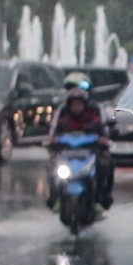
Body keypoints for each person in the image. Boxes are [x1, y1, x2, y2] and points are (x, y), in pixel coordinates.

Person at [51, 71, 112, 205]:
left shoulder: (96, 110)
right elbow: (53, 132)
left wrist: (104, 140)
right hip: (67, 151)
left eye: (80, 89)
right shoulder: (62, 112)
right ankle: (54, 197)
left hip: (91, 151)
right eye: (71, 89)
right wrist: (51, 141)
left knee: (106, 164)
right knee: (52, 166)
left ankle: (103, 197)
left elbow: (105, 131)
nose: (76, 92)